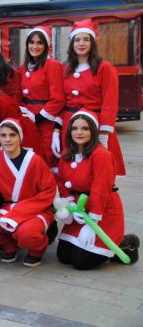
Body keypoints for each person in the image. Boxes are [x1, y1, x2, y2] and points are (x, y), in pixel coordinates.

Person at [55, 109, 139, 270]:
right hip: (80, 212)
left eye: (85, 128)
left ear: (93, 131)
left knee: (81, 262)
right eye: (75, 128)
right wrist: (71, 207)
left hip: (103, 211)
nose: (79, 132)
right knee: (64, 257)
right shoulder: (67, 154)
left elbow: (100, 190)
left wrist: (92, 222)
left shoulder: (101, 155)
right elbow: (62, 182)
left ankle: (126, 243)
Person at [0, 119, 56, 267]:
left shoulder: (35, 161)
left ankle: (37, 250)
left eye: (12, 135)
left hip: (36, 210)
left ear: (20, 137)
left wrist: (22, 210)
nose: (7, 139)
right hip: (9, 209)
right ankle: (9, 244)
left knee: (26, 233)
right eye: (3, 135)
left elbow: (48, 191)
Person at [54, 19, 125, 176]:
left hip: (95, 125)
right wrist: (57, 130)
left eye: (86, 39)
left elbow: (110, 102)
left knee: (97, 170)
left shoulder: (104, 68)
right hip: (70, 125)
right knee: (72, 169)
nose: (81, 43)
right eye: (77, 39)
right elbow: (61, 101)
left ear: (92, 42)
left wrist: (104, 132)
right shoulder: (65, 69)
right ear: (72, 43)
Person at [17, 26, 65, 167]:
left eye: (40, 43)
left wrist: (38, 117)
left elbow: (58, 98)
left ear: (47, 45)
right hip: (27, 119)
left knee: (46, 157)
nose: (35, 46)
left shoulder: (52, 65)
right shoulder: (23, 67)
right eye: (32, 42)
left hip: (45, 122)